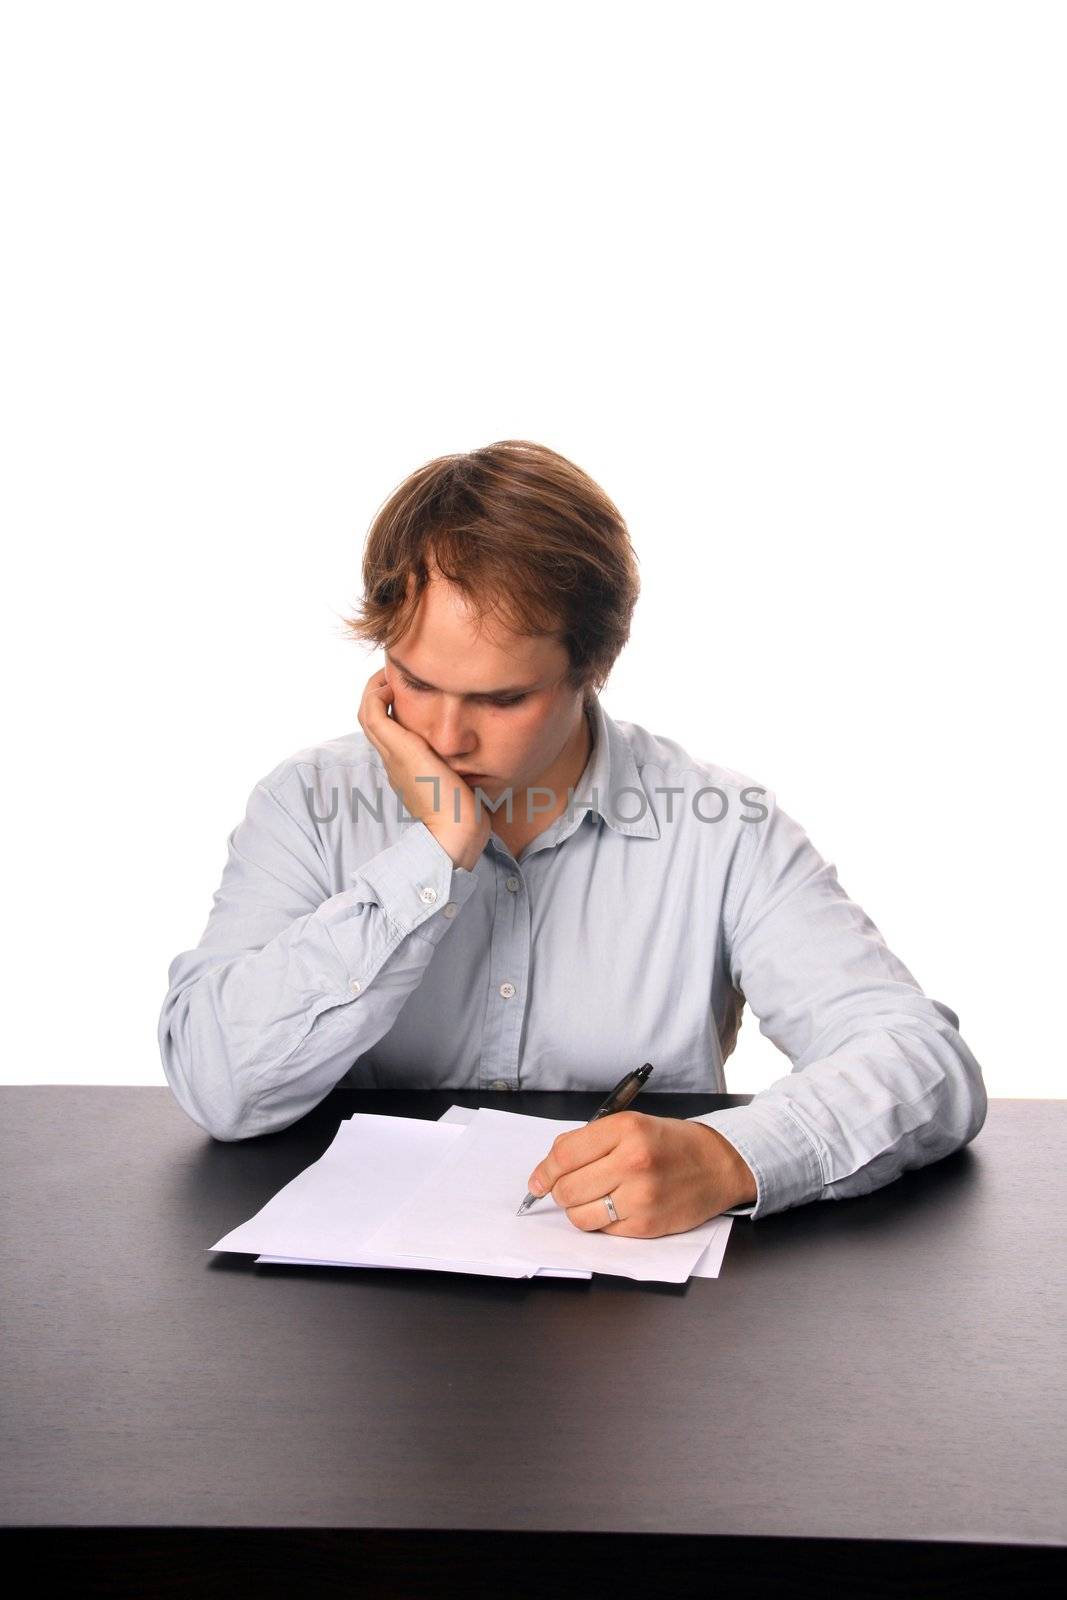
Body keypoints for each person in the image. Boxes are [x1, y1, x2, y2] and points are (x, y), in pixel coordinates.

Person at [158, 439, 987, 1237]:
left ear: (592, 667)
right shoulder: (306, 804)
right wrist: (436, 851)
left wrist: (728, 1154)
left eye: (501, 698)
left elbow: (920, 1062)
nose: (445, 737)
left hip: (623, 1319)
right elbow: (220, 1086)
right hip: (345, 1323)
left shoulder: (722, 827)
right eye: (413, 683)